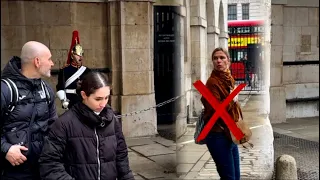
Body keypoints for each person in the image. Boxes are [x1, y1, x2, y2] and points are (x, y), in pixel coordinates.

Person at [39, 71, 134, 180]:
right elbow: (49, 163)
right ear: (84, 95)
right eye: (98, 99)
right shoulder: (64, 123)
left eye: (106, 97)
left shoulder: (112, 119)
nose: (103, 104)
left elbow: (121, 156)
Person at [1, 41, 58, 179]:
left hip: (42, 167)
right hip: (13, 170)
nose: (52, 63)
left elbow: (54, 126)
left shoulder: (46, 89)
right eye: (49, 59)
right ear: (37, 61)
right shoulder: (5, 89)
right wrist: (6, 149)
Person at [201, 47, 244, 180]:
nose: (218, 61)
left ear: (228, 61)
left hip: (229, 134)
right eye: (215, 58)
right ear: (212, 62)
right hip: (217, 135)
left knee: (236, 177)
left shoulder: (229, 78)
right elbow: (216, 111)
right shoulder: (212, 82)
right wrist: (232, 98)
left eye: (222, 58)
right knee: (229, 177)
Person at [56, 30, 91, 110]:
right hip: (70, 101)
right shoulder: (64, 70)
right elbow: (60, 87)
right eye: (78, 55)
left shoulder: (87, 71)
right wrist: (63, 100)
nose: (80, 57)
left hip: (84, 102)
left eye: (81, 55)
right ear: (72, 56)